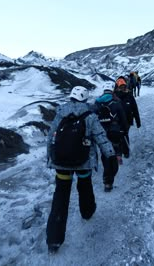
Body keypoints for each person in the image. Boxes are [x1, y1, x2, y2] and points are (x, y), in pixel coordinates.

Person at [46, 86, 118, 254]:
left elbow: (51, 137)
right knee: (85, 187)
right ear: (85, 99)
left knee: (60, 197)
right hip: (83, 162)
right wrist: (111, 155)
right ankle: (87, 211)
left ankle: (54, 240)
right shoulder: (90, 116)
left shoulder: (60, 113)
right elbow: (101, 137)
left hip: (61, 164)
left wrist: (50, 158)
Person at [94, 82, 129, 191]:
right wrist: (124, 131)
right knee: (115, 155)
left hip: (101, 134)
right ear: (112, 90)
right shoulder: (116, 102)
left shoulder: (97, 103)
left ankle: (107, 179)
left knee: (105, 155)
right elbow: (123, 120)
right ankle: (109, 179)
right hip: (115, 133)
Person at [114, 78, 141, 158]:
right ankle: (122, 152)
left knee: (124, 134)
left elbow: (135, 109)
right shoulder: (115, 96)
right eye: (121, 86)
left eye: (123, 86)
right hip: (118, 119)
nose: (122, 88)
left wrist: (138, 122)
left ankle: (125, 152)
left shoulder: (128, 95)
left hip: (127, 120)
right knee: (120, 135)